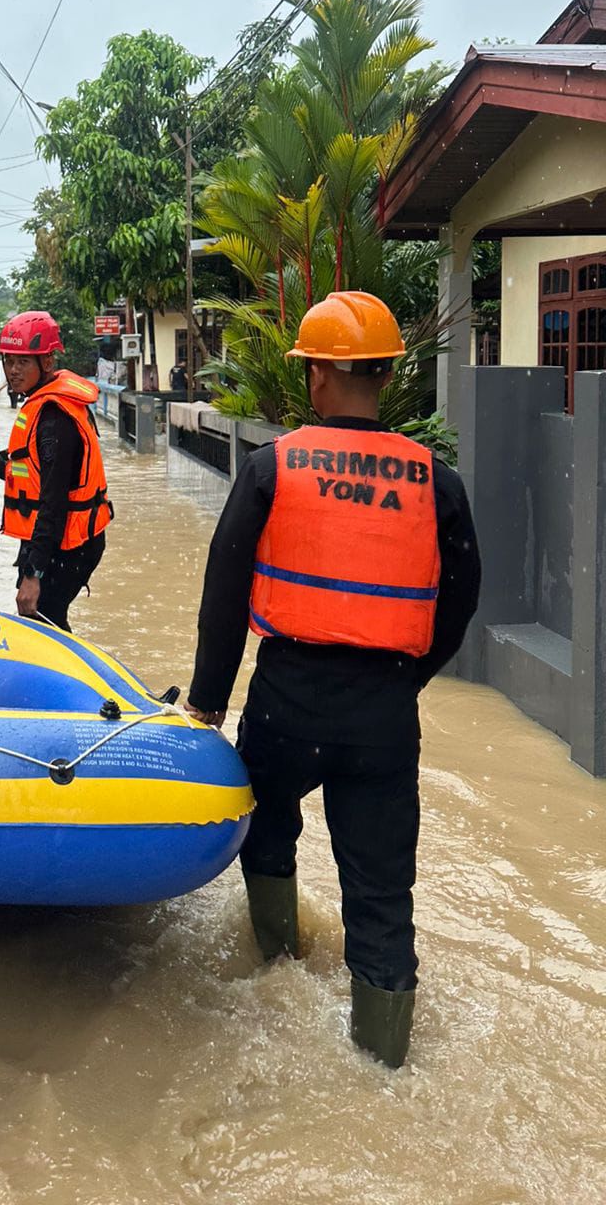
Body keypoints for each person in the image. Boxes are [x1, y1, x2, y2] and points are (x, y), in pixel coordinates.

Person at [186, 291, 480, 1069]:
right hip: (384, 714)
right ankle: (384, 1065)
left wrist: (207, 703)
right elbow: (460, 601)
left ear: (316, 375)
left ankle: (277, 966)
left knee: (266, 832)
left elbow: (224, 594)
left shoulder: (271, 468)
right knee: (382, 897)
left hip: (285, 702)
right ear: (387, 375)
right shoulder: (436, 481)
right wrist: (406, 679)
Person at [0, 311, 112, 631]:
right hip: (58, 539)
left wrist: (33, 573)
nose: (13, 370)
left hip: (69, 543)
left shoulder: (55, 419)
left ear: (47, 362)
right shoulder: (43, 405)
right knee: (43, 621)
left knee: (41, 620)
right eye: (8, 361)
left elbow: (53, 502)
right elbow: (36, 474)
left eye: (23, 362)